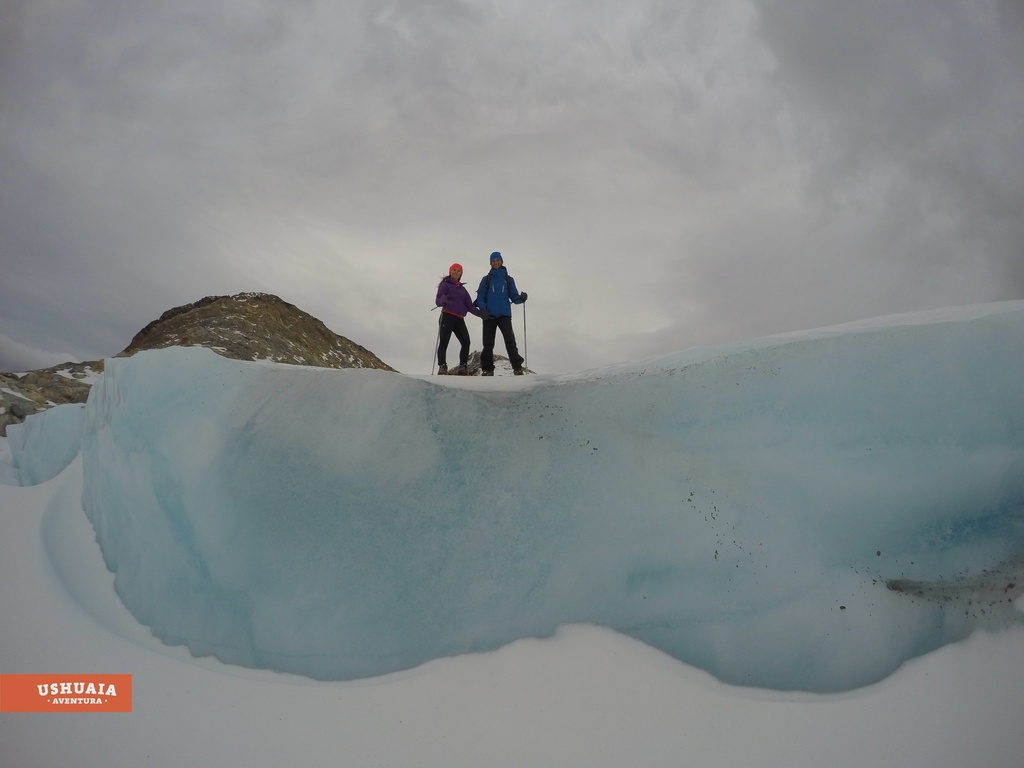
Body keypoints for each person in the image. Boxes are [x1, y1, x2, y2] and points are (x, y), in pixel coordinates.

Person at [475, 251, 528, 376]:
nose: (496, 262)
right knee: (488, 343)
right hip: (489, 315)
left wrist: (521, 299)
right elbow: (480, 296)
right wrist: (483, 309)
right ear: (491, 263)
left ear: (502, 261)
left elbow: (514, 296)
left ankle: (517, 367)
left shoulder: (508, 279)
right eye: (493, 261)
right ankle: (487, 369)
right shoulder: (486, 279)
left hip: (504, 315)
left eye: (498, 260)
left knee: (510, 341)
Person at [435, 263, 483, 375]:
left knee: (466, 341)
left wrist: (481, 314)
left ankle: (463, 366)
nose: (456, 272)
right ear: (450, 271)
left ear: (461, 273)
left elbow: (469, 306)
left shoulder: (463, 290)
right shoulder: (445, 285)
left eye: (458, 270)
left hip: (459, 318)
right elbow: (437, 300)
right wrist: (442, 300)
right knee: (444, 341)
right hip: (447, 315)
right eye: (454, 270)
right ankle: (442, 365)